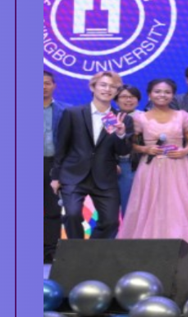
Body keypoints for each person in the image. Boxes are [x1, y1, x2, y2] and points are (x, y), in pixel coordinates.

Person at [118, 79, 188, 257]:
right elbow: (132, 144)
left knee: (179, 207)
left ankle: (184, 252)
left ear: (172, 95)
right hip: (151, 167)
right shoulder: (139, 117)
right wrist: (146, 149)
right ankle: (149, 251)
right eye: (157, 91)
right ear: (149, 94)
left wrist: (184, 151)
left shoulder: (182, 115)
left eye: (167, 92)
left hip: (179, 166)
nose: (162, 95)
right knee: (150, 206)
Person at [51, 71, 132, 242]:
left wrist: (121, 134)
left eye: (113, 87)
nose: (107, 89)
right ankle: (76, 250)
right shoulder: (73, 113)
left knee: (110, 222)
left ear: (117, 92)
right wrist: (56, 176)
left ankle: (90, 252)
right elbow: (61, 147)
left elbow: (123, 151)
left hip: (105, 176)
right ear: (93, 87)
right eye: (103, 85)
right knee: (72, 215)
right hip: (73, 174)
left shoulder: (122, 119)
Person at [43, 71, 70, 264]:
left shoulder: (65, 110)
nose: (43, 87)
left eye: (47, 83)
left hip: (55, 163)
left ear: (54, 85)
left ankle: (50, 250)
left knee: (53, 209)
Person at [113, 84, 142, 217]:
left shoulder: (146, 116)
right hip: (119, 164)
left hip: (141, 164)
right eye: (124, 97)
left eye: (132, 96)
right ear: (116, 100)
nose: (128, 100)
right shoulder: (110, 117)